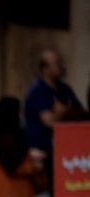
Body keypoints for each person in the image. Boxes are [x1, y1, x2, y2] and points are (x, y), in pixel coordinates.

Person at [23, 49, 85, 188]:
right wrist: (64, 113)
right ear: (44, 69)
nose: (62, 66)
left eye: (61, 62)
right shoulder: (38, 91)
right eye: (57, 63)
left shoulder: (65, 90)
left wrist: (63, 111)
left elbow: (80, 113)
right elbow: (49, 121)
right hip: (44, 157)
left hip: (66, 156)